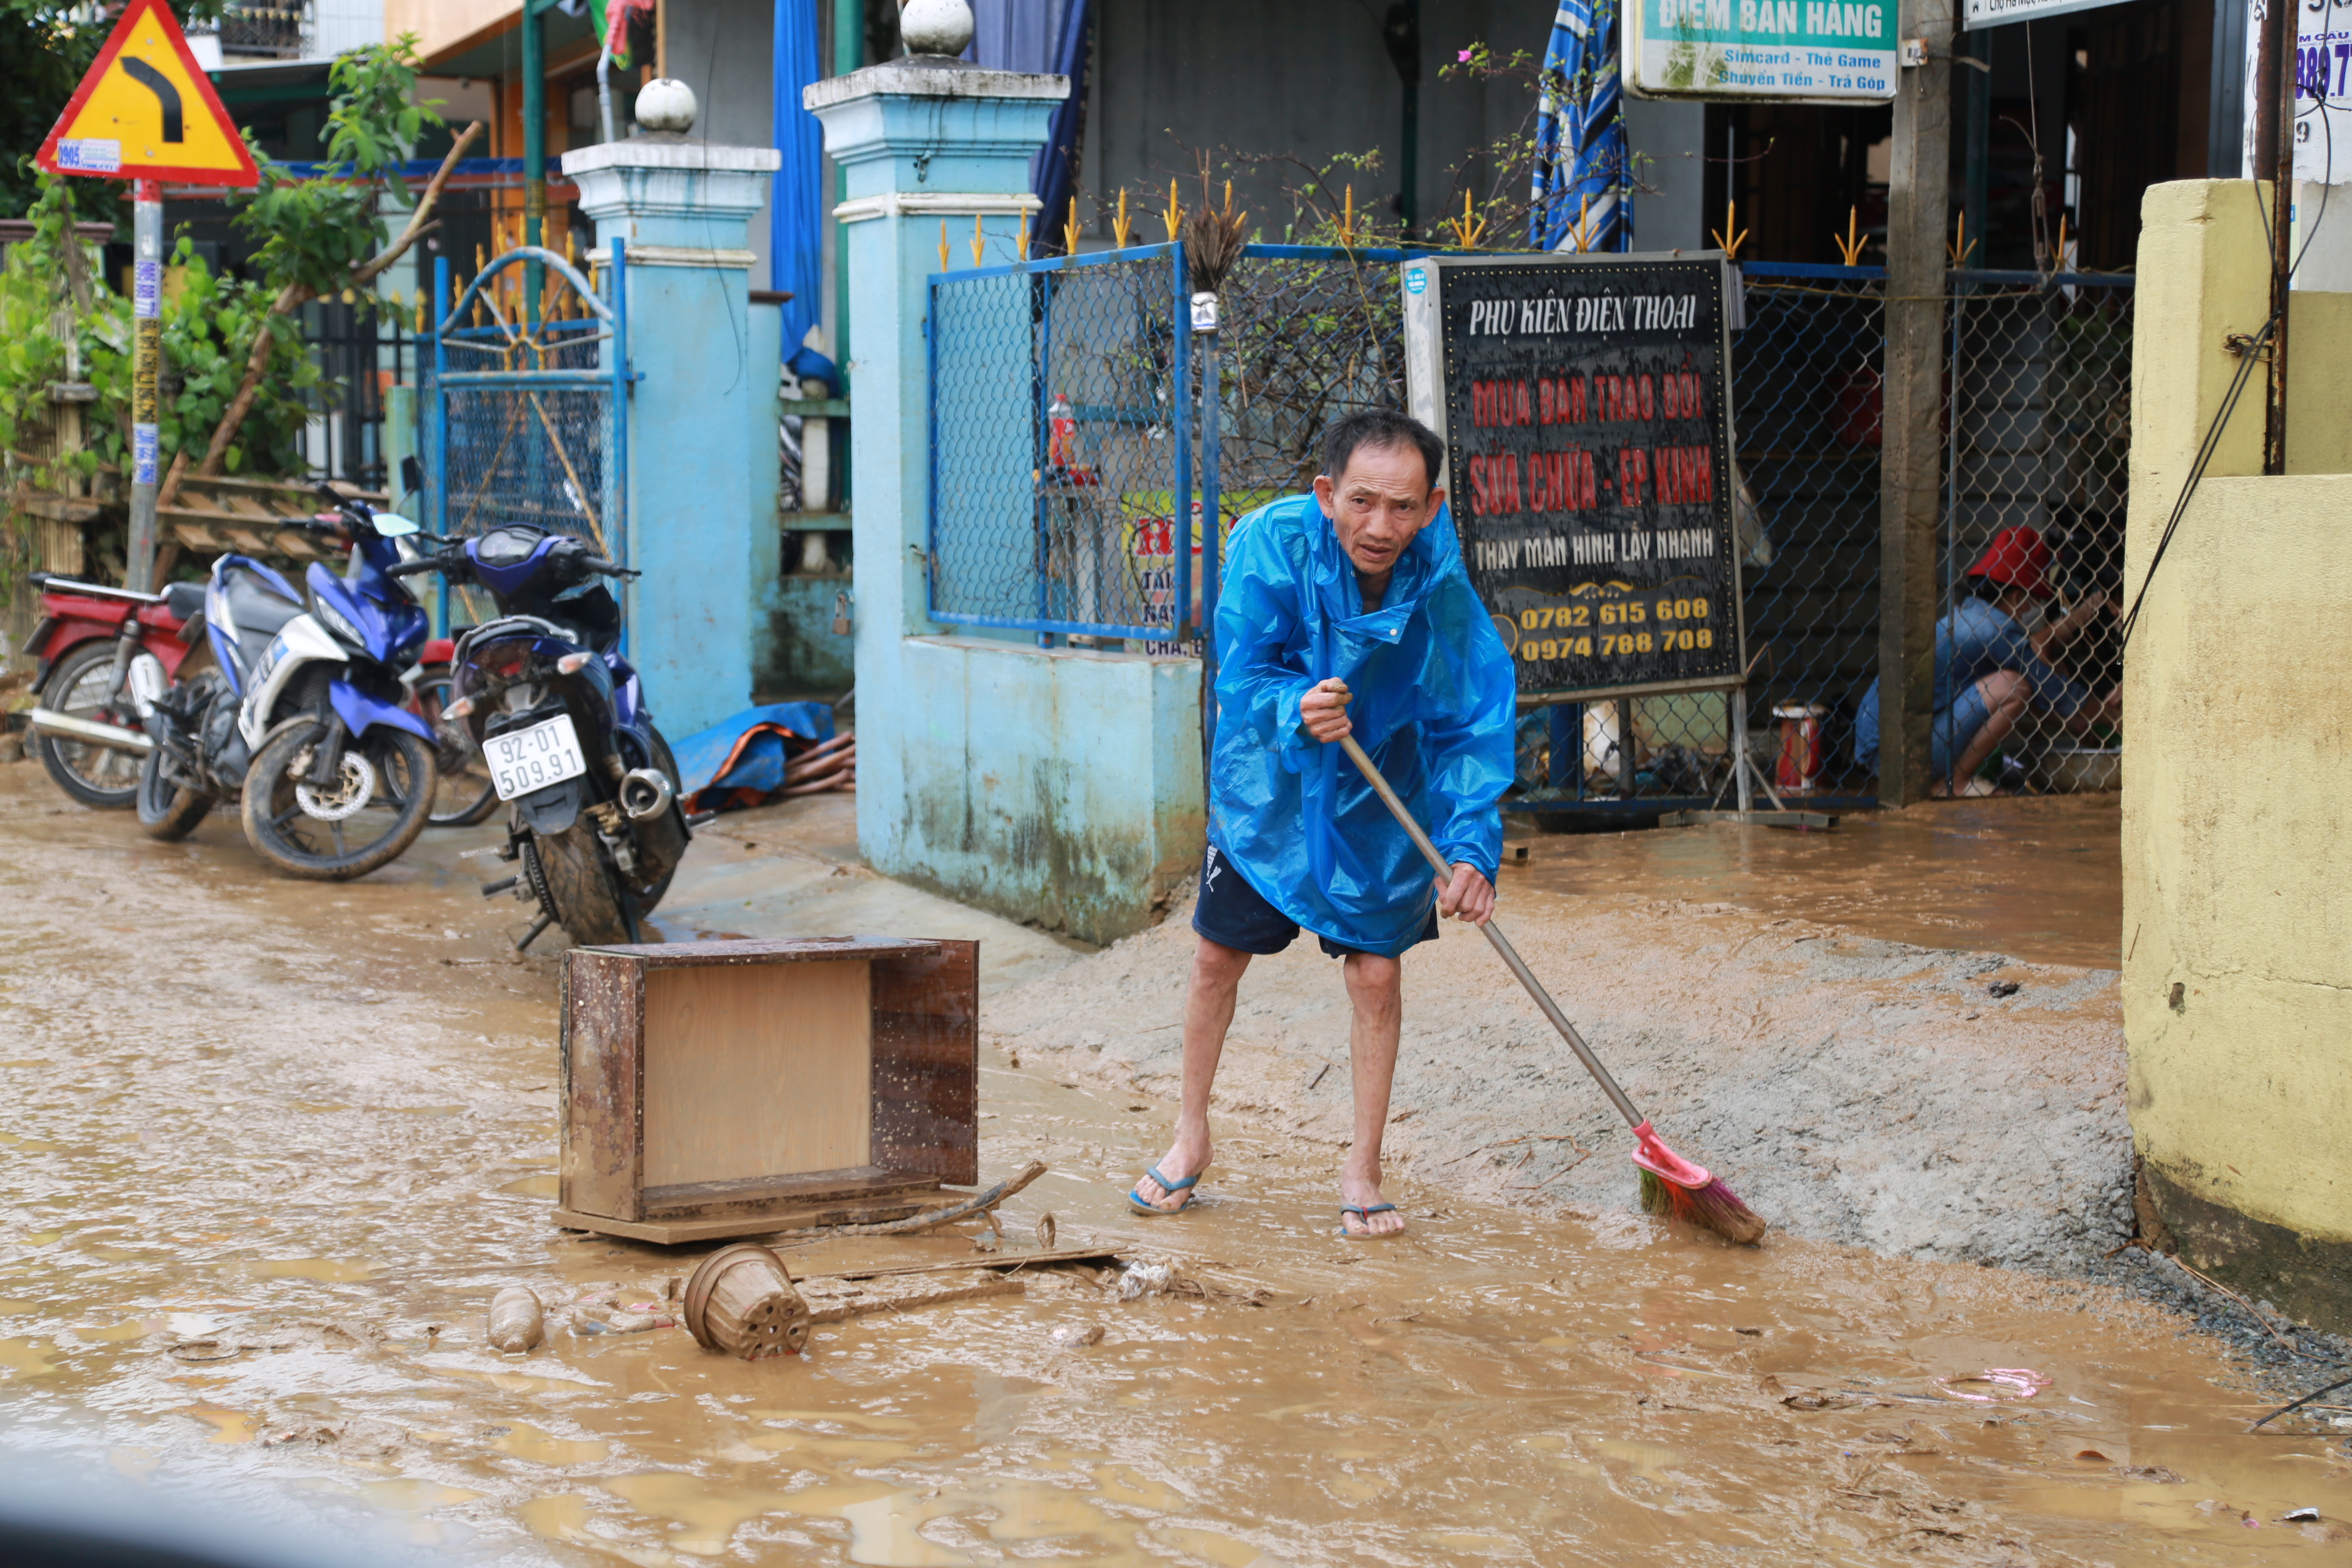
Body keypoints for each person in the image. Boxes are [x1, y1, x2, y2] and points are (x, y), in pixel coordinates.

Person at [1126, 410, 1517, 1237]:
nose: (1382, 527)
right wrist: (1292, 707)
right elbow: (1245, 671)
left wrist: (1474, 846)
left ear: (1433, 507)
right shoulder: (1271, 544)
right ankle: (1190, 1135)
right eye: (1363, 502)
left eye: (1404, 507)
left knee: (1376, 977)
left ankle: (1363, 1164)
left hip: (1381, 796)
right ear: (1326, 492)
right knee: (1214, 956)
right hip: (1273, 787)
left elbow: (1469, 720)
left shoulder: (1438, 582)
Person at [1854, 525, 2119, 794]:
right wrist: (2118, 720)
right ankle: (1954, 784)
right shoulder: (1997, 630)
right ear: (2017, 598)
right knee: (2013, 686)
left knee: (2014, 686)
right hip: (1895, 750)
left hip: (1882, 746)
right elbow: (2054, 692)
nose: (2031, 613)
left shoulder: (1970, 614)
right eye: (2033, 604)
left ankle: (1945, 781)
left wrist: (2075, 721)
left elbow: (2035, 700)